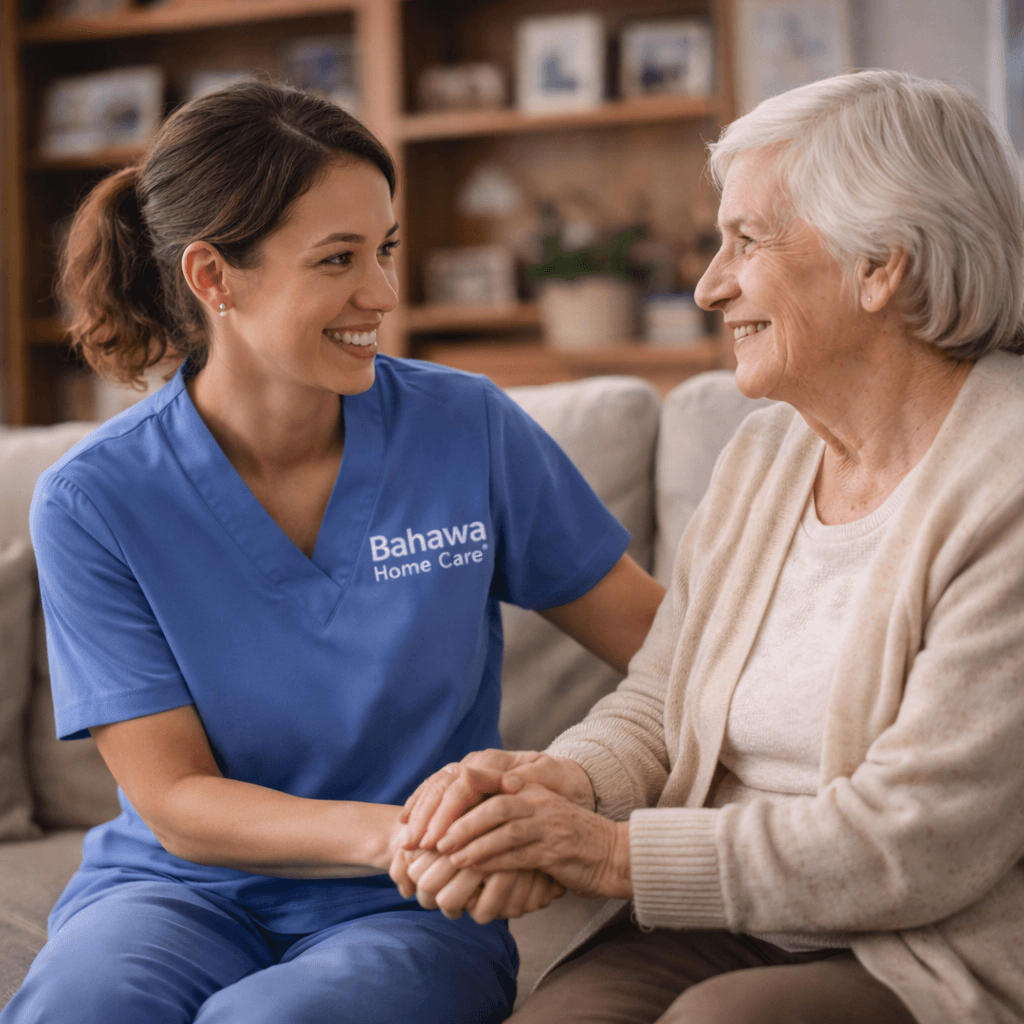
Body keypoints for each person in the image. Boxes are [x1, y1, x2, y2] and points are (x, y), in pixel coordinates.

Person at [1, 81, 666, 1024]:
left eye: (385, 248)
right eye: (338, 259)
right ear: (213, 278)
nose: (384, 294)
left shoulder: (466, 427)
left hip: (411, 909)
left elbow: (671, 650)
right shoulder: (94, 499)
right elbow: (178, 797)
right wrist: (408, 834)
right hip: (176, 891)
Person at [394, 70, 1024, 1024]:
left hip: (930, 940)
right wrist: (558, 782)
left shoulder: (1005, 481)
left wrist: (602, 852)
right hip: (724, 913)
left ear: (880, 262)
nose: (707, 285)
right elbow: (661, 697)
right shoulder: (766, 452)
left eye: (748, 242)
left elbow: (919, 839)